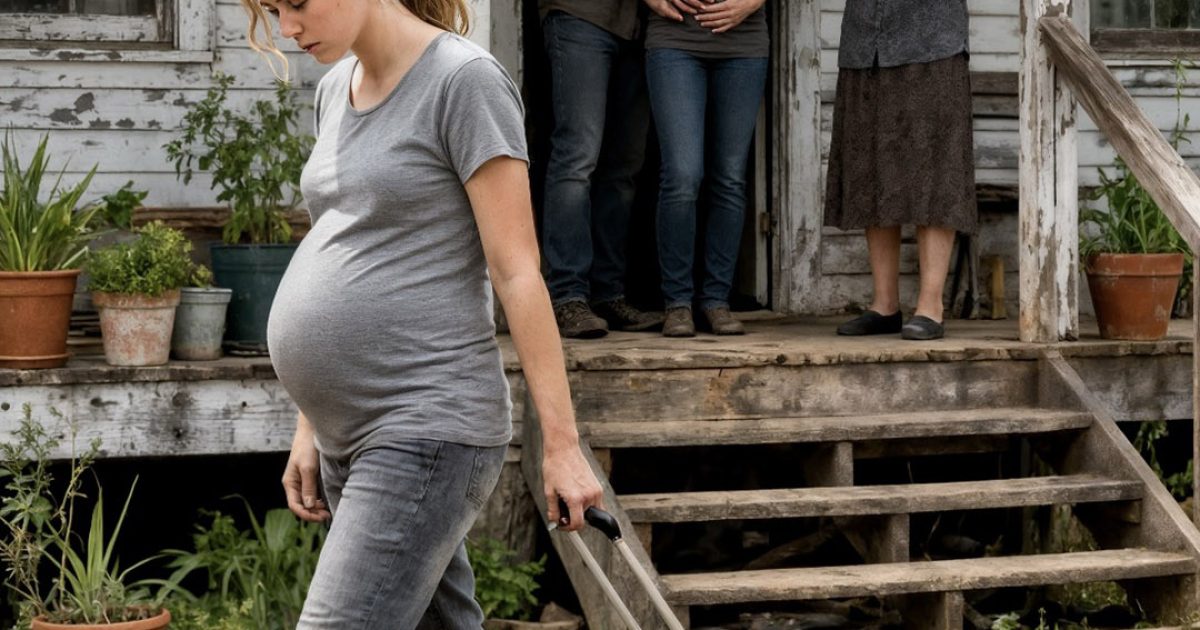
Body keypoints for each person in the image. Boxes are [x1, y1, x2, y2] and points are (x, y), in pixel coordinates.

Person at [238, 0, 604, 626]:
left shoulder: (464, 82)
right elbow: (343, 240)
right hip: (348, 436)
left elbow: (517, 272)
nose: (286, 28)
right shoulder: (334, 88)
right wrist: (310, 424)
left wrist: (564, 447)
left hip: (425, 425)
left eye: (297, 4)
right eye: (273, 9)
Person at [826, 0, 976, 341]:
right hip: (866, 41)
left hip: (932, 40)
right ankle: (884, 305)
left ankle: (930, 306)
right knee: (871, 167)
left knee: (937, 169)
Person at [642, 0, 769, 337]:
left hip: (744, 43)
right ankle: (678, 303)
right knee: (683, 175)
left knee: (728, 178)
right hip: (674, 40)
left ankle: (716, 300)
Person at [540, 0, 663, 339]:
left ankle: (609, 293)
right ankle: (567, 294)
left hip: (640, 29)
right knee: (577, 160)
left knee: (624, 169)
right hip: (581, 15)